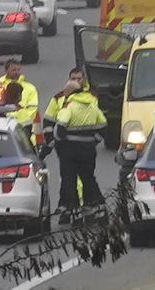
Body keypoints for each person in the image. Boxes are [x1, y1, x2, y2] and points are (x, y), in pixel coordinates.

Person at [55, 77, 108, 222]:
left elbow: (60, 129)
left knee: (69, 180)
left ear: (71, 92)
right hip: (88, 150)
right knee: (88, 179)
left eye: (66, 92)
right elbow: (103, 124)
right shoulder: (92, 105)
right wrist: (94, 140)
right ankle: (96, 207)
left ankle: (75, 211)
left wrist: (62, 143)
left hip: (70, 151)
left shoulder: (70, 106)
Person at [41, 67, 87, 149]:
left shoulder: (91, 97)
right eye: (73, 79)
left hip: (86, 143)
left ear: (84, 79)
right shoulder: (58, 98)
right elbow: (48, 120)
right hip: (65, 143)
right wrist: (50, 140)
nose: (76, 81)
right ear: (69, 80)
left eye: (79, 78)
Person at [0, 61, 38, 132]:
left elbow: (32, 110)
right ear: (6, 70)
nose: (17, 72)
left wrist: (14, 116)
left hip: (24, 127)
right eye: (14, 70)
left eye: (18, 70)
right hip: (3, 128)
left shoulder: (30, 88)